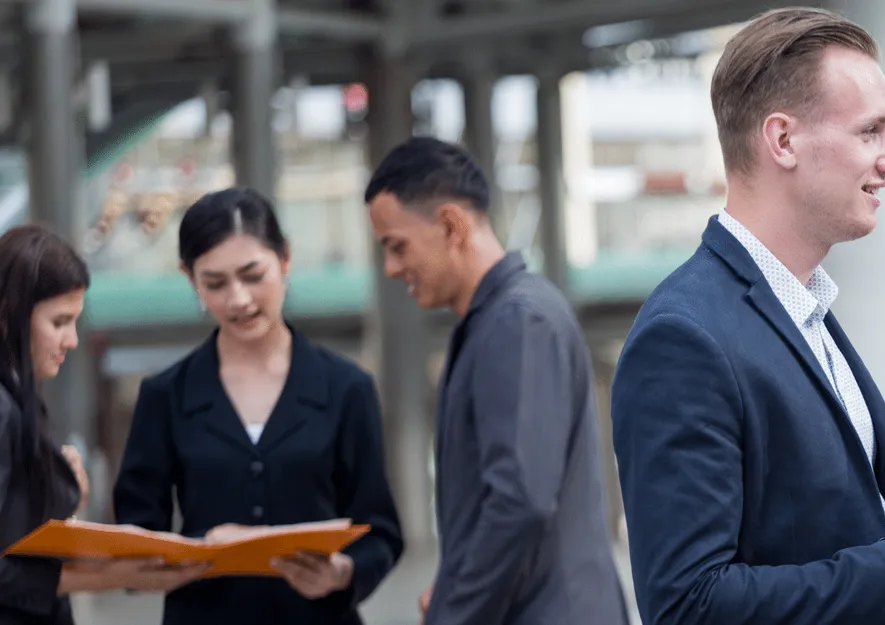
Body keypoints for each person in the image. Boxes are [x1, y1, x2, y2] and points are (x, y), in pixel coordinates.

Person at [610, 7, 885, 625]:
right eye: (870, 131)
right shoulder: (684, 337)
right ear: (783, 140)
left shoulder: (807, 310)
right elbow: (688, 606)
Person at [363, 137, 627, 625]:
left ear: (450, 225)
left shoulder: (517, 321)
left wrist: (453, 611)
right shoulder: (495, 320)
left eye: (397, 246)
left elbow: (520, 500)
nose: (392, 268)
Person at [112, 188, 404, 625]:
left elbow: (379, 530)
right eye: (215, 283)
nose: (239, 299)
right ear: (189, 278)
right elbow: (138, 535)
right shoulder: (166, 395)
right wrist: (196, 552)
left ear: (285, 259)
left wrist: (342, 571)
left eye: (253, 275)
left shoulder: (347, 388)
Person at [1, 225, 207, 625]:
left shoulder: (21, 396)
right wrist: (111, 575)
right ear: (11, 314)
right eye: (59, 321)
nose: (71, 340)